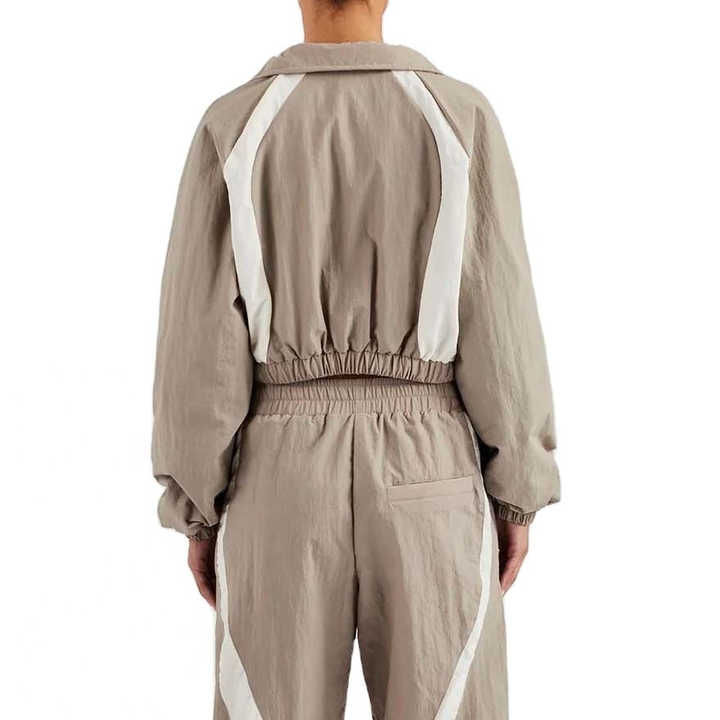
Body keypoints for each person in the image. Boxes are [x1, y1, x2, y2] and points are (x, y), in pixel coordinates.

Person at [152, 0, 560, 717]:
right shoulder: (459, 118)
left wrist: (198, 507)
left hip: (280, 475)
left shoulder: (233, 126)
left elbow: (198, 348)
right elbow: (501, 321)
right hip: (429, 464)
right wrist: (517, 489)